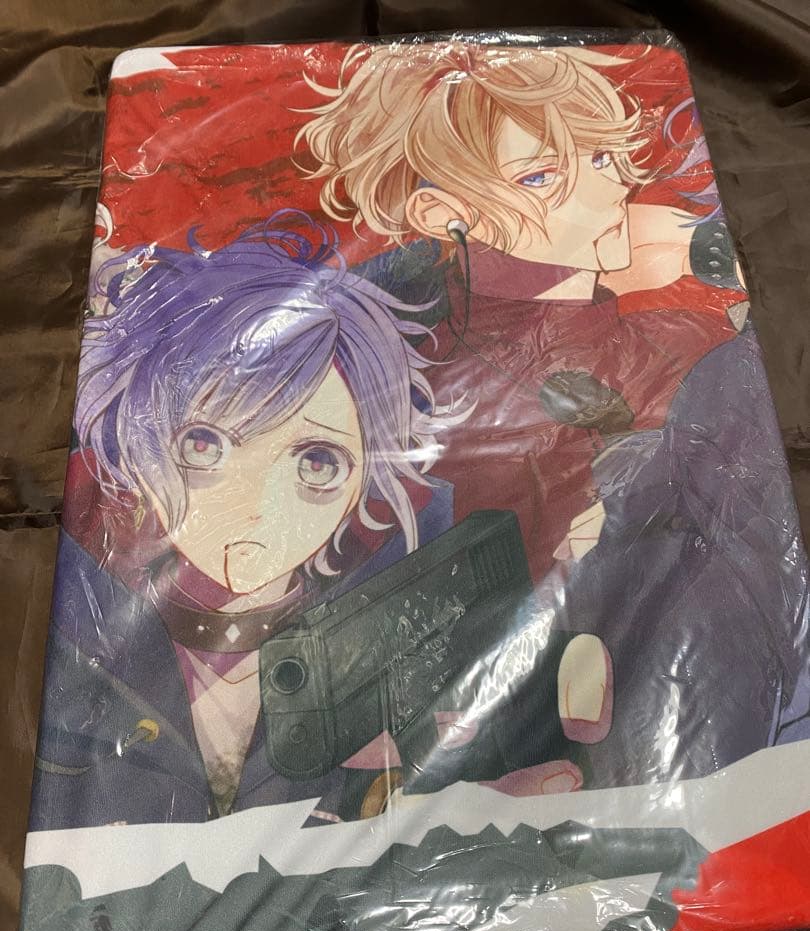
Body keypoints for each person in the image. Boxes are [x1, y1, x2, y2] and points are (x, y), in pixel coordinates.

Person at [30, 213, 610, 831]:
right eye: (203, 445)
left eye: (317, 462)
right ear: (133, 436)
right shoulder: (70, 607)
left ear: (367, 471)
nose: (256, 505)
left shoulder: (422, 599)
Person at [297, 42, 744, 578]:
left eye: (601, 157)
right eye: (541, 177)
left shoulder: (674, 333)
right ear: (442, 213)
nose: (611, 190)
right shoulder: (456, 407)